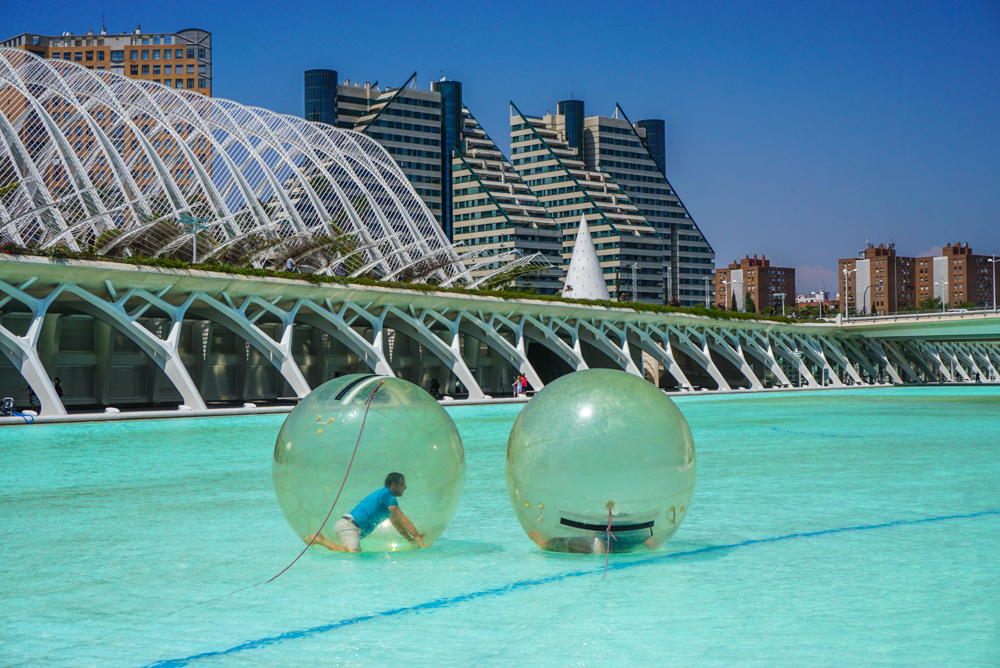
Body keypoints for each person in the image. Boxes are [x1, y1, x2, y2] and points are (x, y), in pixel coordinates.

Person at [305, 472, 427, 552]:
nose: (405, 487)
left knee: (352, 556)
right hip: (349, 526)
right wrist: (417, 537)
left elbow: (397, 523)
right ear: (393, 485)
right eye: (402, 484)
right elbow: (402, 518)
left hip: (349, 527)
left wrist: (410, 539)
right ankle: (320, 540)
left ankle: (320, 539)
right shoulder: (387, 494)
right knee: (352, 557)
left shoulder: (385, 498)